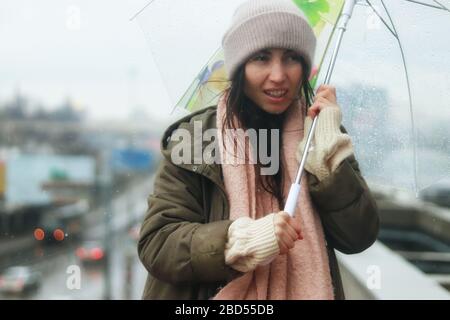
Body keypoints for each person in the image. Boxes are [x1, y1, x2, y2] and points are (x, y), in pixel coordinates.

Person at [138, 0, 379, 300]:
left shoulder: (321, 132)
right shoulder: (197, 139)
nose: (278, 75)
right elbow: (158, 243)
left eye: (291, 58)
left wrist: (327, 150)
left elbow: (358, 236)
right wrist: (240, 240)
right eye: (262, 58)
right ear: (240, 67)